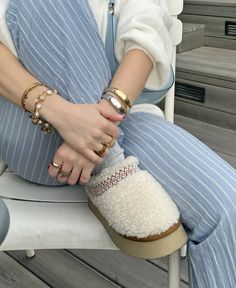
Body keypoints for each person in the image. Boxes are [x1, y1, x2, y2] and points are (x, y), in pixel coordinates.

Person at [0, 0, 236, 287]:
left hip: (121, 121)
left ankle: (104, 157)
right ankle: (108, 166)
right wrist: (61, 113)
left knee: (227, 207)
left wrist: (94, 131)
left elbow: (145, 38)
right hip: (34, 125)